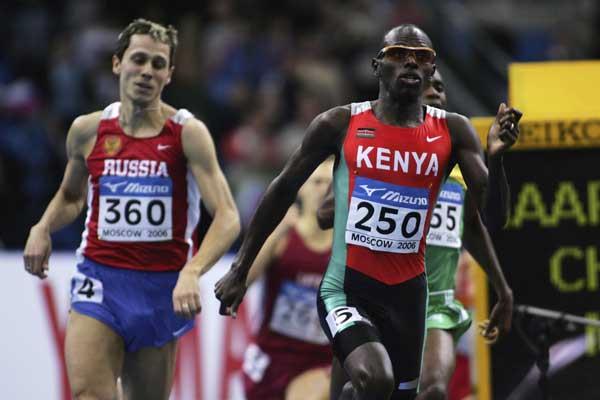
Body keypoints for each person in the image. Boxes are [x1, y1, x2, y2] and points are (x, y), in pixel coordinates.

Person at [215, 24, 520, 400]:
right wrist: (240, 268)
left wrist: (496, 160)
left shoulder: (454, 132)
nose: (410, 61)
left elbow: (493, 220)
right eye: (399, 54)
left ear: (432, 70)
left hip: (409, 295)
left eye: (421, 57)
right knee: (376, 380)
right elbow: (283, 190)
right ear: (377, 65)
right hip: (347, 288)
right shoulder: (339, 123)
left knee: (397, 393)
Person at [22, 19, 240, 400]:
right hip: (100, 280)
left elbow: (227, 216)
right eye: (139, 60)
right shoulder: (88, 131)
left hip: (161, 289)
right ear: (117, 63)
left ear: (169, 74)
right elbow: (72, 197)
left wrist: (193, 271)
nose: (147, 71)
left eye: (158, 64)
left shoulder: (187, 133)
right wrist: (42, 227)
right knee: (89, 393)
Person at [317, 68, 515, 400]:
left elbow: (473, 228)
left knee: (434, 389)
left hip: (435, 302)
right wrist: (385, 192)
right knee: (358, 389)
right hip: (372, 294)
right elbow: (324, 215)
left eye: (440, 87)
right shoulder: (383, 155)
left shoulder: (460, 162)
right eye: (428, 88)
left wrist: (502, 288)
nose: (435, 92)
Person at [242, 158, 334, 400]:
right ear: (301, 187)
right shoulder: (283, 235)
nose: (323, 189)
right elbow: (241, 282)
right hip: (271, 356)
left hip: (319, 360)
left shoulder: (344, 245)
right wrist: (276, 231)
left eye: (331, 184)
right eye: (317, 182)